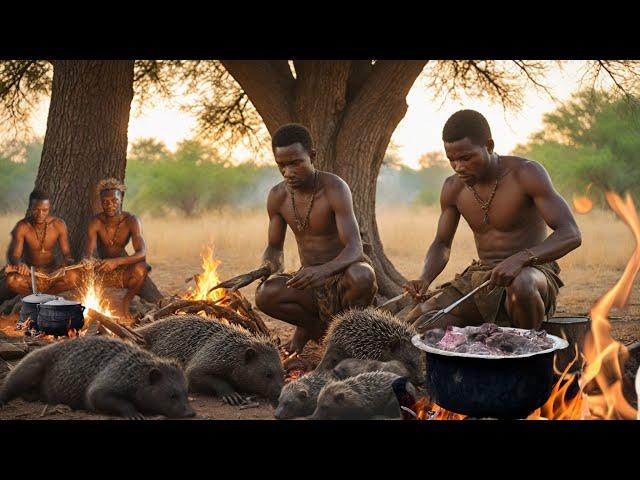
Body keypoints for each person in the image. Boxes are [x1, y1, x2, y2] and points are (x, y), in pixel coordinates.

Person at [405, 110, 581, 331]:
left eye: (466, 158)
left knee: (522, 284)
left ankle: (529, 354)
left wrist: (521, 259)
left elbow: (571, 233)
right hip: (483, 278)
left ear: (489, 146)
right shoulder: (453, 188)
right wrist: (425, 278)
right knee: (420, 321)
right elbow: (441, 244)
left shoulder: (525, 173)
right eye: (452, 160)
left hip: (533, 272)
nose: (459, 167)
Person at [254, 123, 377, 353]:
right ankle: (314, 329)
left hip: (343, 278)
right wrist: (265, 268)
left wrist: (322, 271)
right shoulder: (277, 196)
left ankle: (348, 339)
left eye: (295, 163)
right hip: (309, 282)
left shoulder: (334, 188)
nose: (288, 172)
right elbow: (273, 247)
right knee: (265, 294)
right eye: (281, 165)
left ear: (312, 156)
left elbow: (355, 248)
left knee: (362, 275)